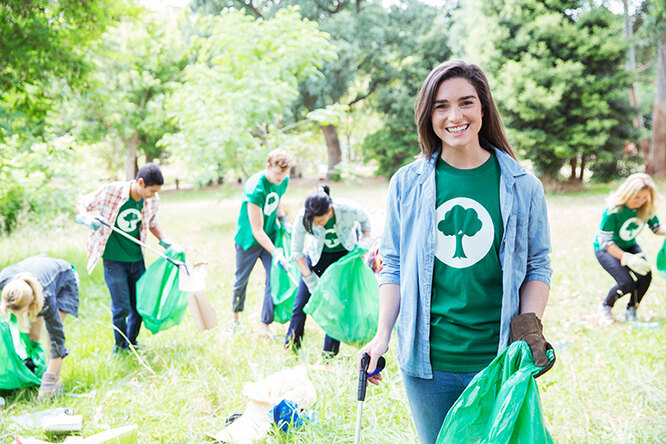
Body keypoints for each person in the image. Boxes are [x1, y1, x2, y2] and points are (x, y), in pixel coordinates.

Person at [357, 60, 554, 444]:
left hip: (497, 358)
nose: (454, 116)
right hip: (427, 365)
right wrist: (381, 337)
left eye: (466, 103)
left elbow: (537, 265)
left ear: (483, 108)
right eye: (441, 106)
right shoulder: (407, 184)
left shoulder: (523, 185)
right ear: (429, 115)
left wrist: (530, 329)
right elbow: (393, 264)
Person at [76, 163, 171, 354]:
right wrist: (87, 219)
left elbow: (151, 222)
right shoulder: (112, 191)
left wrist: (165, 241)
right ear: (141, 182)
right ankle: (119, 348)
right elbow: (82, 204)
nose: (153, 195)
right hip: (114, 260)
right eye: (151, 191)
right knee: (121, 307)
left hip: (136, 258)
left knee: (139, 306)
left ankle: (132, 342)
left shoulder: (151, 200)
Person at [284, 185, 372, 355]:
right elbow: (296, 252)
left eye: (319, 221)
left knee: (337, 306)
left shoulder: (348, 209)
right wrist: (310, 280)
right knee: (301, 304)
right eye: (314, 223)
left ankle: (329, 354)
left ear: (329, 210)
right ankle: (291, 349)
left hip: (343, 259)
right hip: (316, 259)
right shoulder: (304, 217)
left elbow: (365, 221)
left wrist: (365, 240)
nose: (316, 225)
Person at [0, 254, 80, 400]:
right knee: (31, 335)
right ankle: (35, 370)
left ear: (30, 303)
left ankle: (54, 383)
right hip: (36, 272)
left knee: (51, 339)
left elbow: (58, 341)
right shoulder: (4, 278)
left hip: (65, 279)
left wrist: (48, 383)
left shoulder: (47, 299)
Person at [231, 149, 292, 336]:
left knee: (272, 279)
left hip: (270, 236)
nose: (281, 178)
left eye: (284, 175)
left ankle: (264, 326)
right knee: (241, 279)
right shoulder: (255, 187)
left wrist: (284, 221)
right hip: (248, 241)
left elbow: (277, 201)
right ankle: (235, 319)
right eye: (278, 174)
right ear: (268, 167)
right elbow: (257, 230)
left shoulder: (283, 180)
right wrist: (275, 252)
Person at [594, 173, 664, 324]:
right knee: (626, 283)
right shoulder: (613, 210)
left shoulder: (646, 208)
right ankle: (605, 307)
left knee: (645, 276)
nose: (641, 201)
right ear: (628, 193)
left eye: (645, 197)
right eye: (637, 197)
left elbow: (656, 228)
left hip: (629, 245)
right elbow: (605, 241)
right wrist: (626, 258)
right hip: (606, 249)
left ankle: (631, 310)